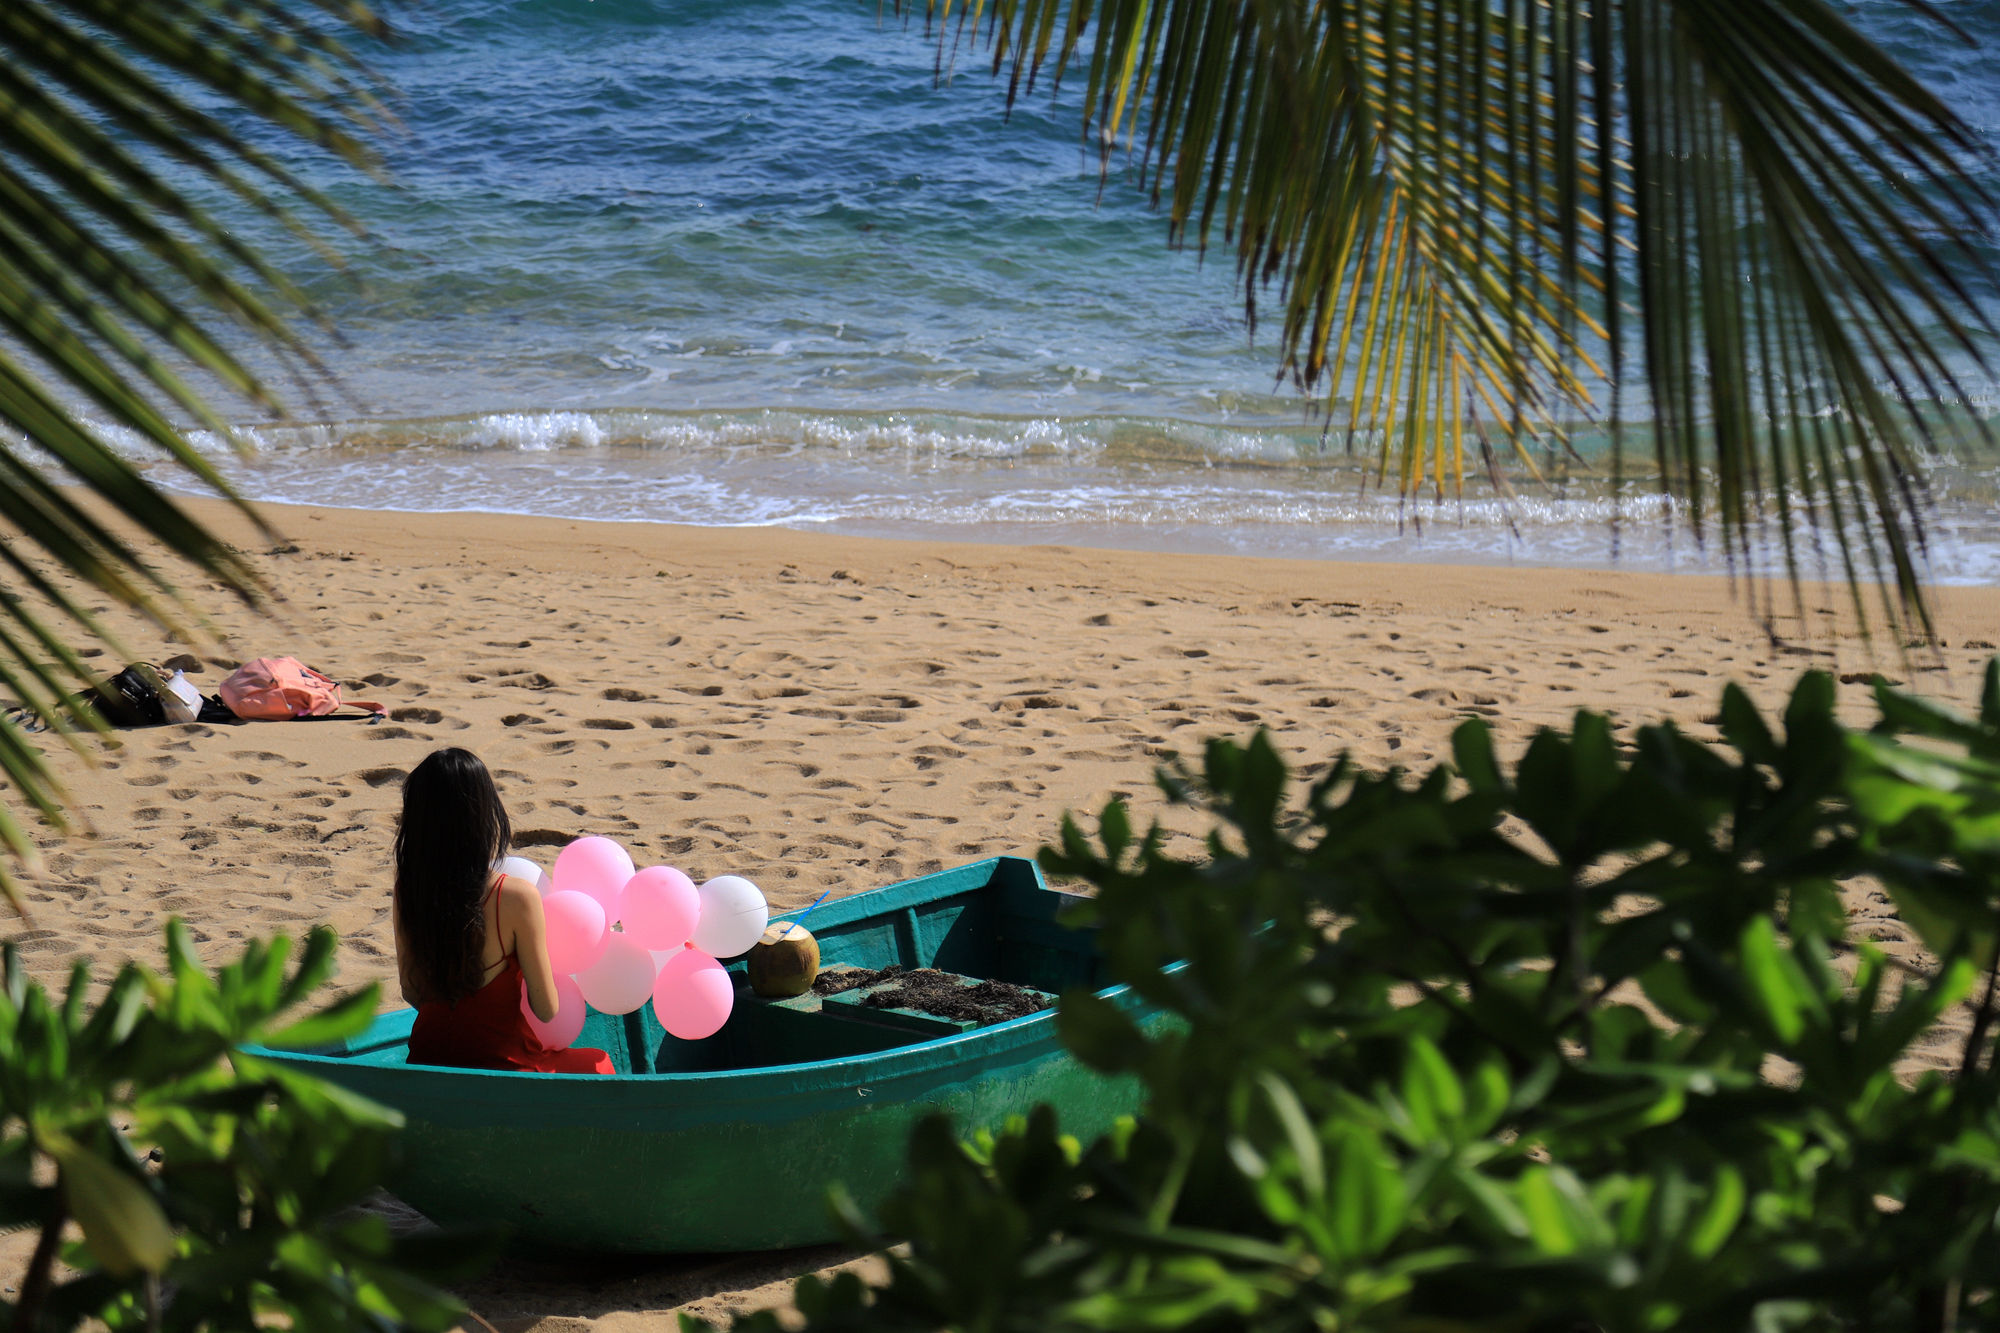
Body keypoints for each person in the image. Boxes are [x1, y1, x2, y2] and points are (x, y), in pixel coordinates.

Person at [394, 747, 613, 1074]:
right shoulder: (515, 896)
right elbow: (546, 1009)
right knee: (600, 1063)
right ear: (483, 814)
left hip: (427, 1060)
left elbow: (411, 990)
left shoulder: (407, 890)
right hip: (505, 1069)